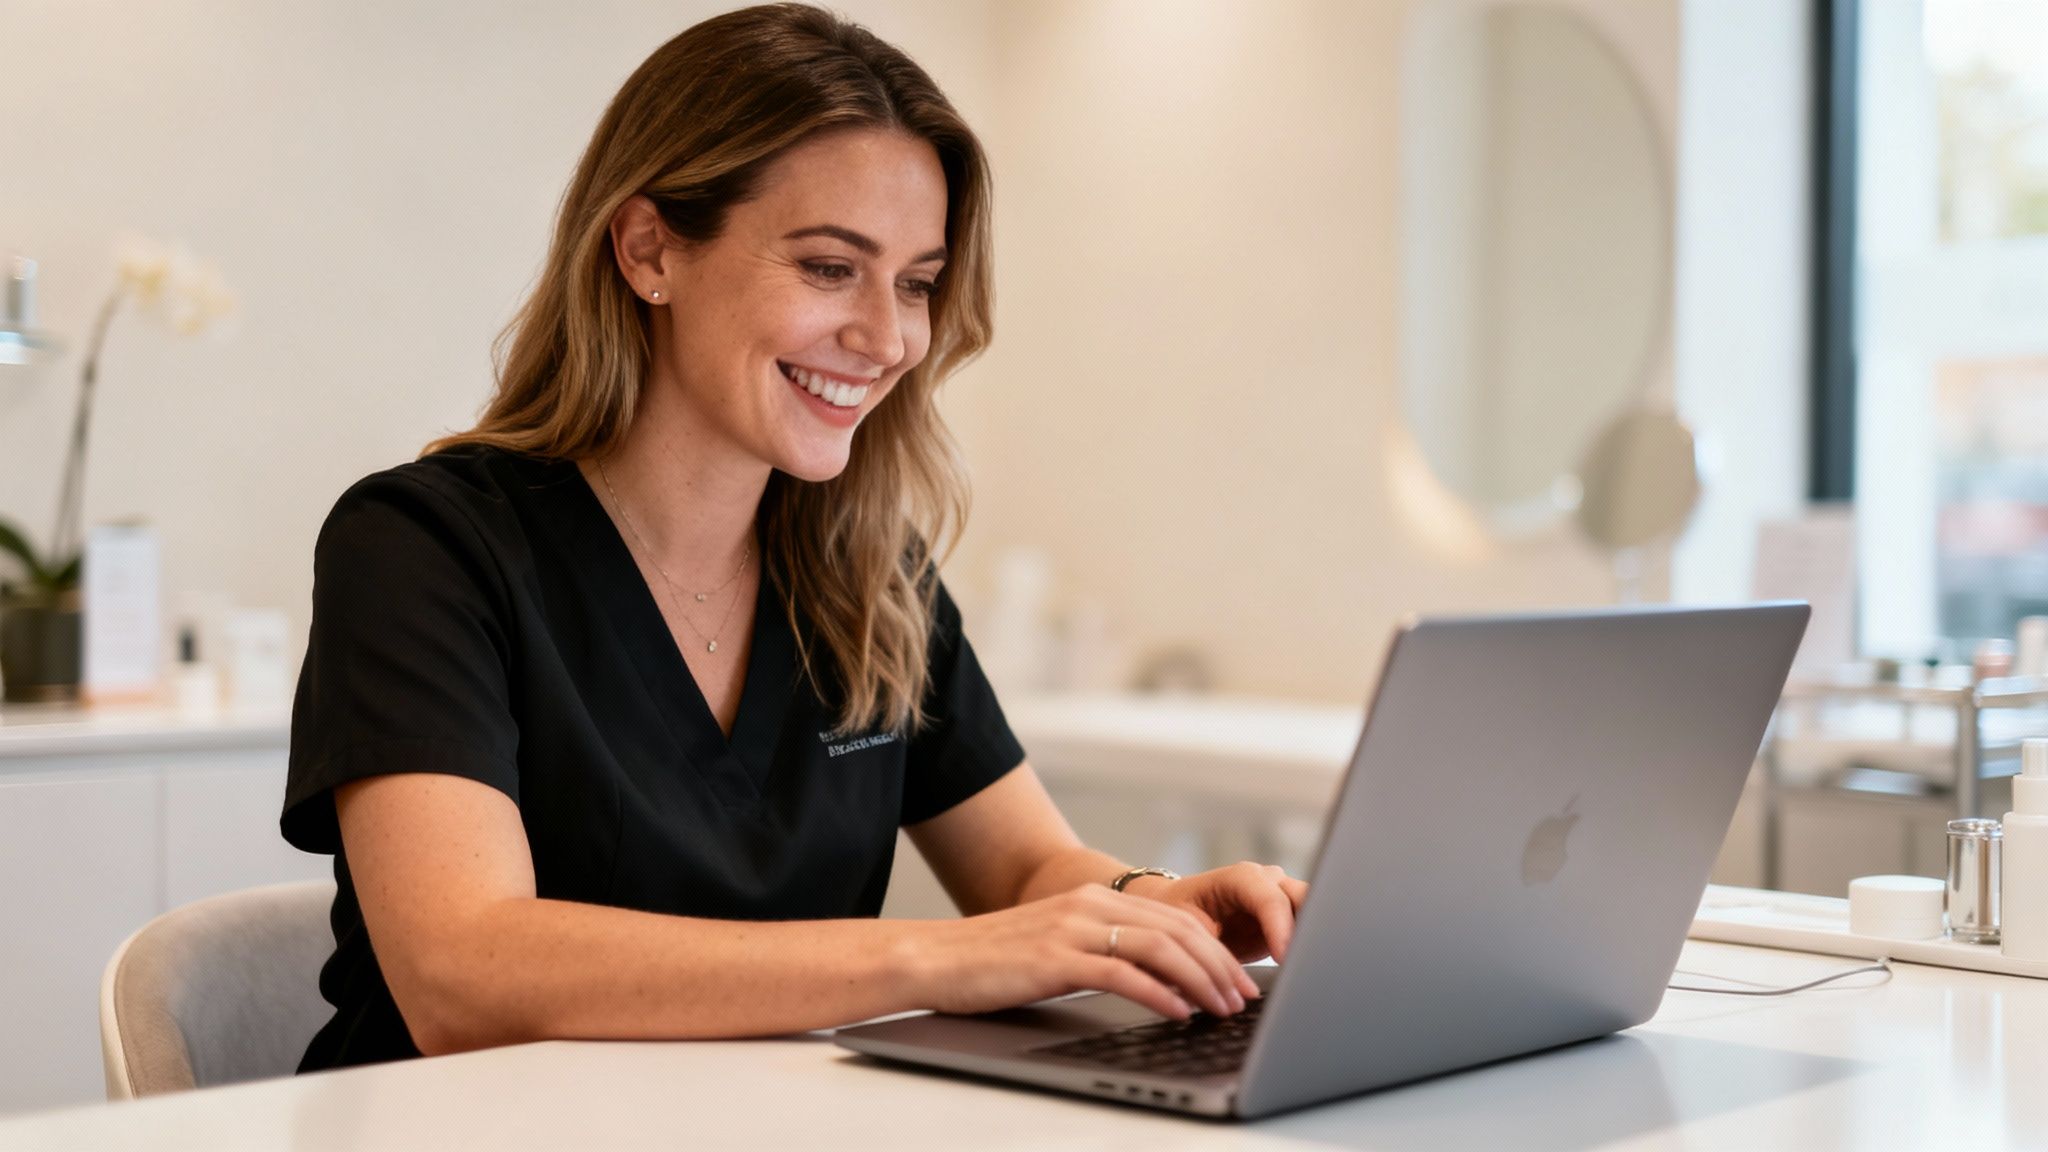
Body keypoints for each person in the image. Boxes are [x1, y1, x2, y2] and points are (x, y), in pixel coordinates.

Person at [281, 2, 1307, 1072]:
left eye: (916, 284)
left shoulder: (868, 571)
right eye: (828, 268)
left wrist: (1159, 906)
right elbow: (463, 975)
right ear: (648, 250)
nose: (887, 337)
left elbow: (1021, 872)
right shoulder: (422, 547)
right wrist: (935, 959)